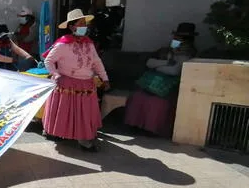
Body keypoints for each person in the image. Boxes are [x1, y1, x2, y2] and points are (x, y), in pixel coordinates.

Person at [42, 9, 110, 152]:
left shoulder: (89, 43)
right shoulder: (62, 44)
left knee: (83, 113)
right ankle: (60, 133)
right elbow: (48, 61)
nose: (84, 26)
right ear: (72, 27)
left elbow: (97, 62)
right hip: (67, 83)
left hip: (86, 84)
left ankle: (85, 140)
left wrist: (105, 78)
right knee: (65, 112)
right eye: (81, 23)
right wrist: (56, 74)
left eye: (85, 23)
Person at [124, 22, 198, 137]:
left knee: (158, 104)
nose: (177, 40)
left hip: (170, 87)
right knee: (138, 96)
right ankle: (137, 126)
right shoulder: (165, 51)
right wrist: (166, 63)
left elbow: (175, 71)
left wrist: (159, 68)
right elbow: (149, 62)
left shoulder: (188, 55)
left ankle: (152, 130)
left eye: (182, 38)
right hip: (153, 83)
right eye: (177, 37)